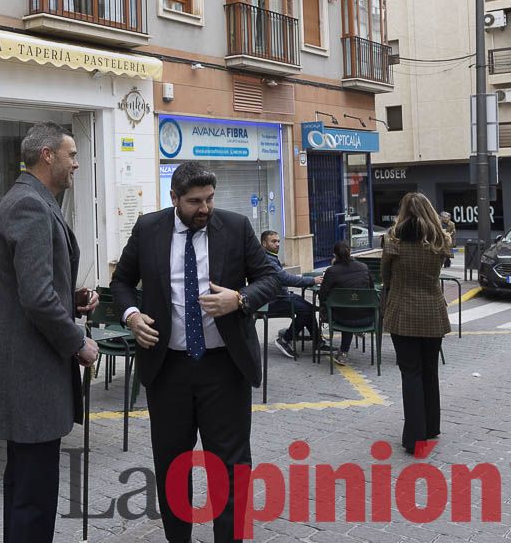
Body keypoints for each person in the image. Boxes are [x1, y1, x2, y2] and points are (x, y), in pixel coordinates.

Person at [111, 161, 280, 543]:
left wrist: (239, 299)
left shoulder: (235, 227)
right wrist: (131, 314)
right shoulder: (149, 228)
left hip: (224, 366)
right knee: (173, 465)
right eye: (194, 202)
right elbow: (121, 281)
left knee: (231, 467)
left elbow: (269, 278)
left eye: (209, 199)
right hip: (167, 367)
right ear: (174, 198)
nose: (204, 208)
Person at [0, 122, 100, 543]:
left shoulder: (29, 200)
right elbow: (37, 299)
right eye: (72, 155)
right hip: (31, 376)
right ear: (47, 155)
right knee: (34, 495)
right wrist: (78, 342)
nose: (77, 164)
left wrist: (73, 297)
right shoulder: (30, 205)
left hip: (27, 375)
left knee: (27, 487)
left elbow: (35, 288)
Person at [381, 192, 452, 455]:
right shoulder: (439, 240)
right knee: (430, 371)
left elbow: (385, 276)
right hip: (433, 311)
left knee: (410, 373)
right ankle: (432, 426)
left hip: (403, 312)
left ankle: (414, 437)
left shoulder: (393, 240)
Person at [261, 230, 324, 359]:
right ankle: (285, 339)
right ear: (264, 244)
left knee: (309, 308)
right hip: (272, 301)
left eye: (278, 241)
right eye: (273, 241)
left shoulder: (269, 257)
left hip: (281, 296)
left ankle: (318, 343)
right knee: (306, 310)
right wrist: (312, 280)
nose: (277, 244)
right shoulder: (268, 260)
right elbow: (286, 279)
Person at [318, 240, 375, 366]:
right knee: (350, 307)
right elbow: (371, 290)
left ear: (335, 255)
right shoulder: (364, 267)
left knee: (345, 309)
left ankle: (343, 352)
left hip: (342, 319)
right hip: (366, 319)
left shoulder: (332, 271)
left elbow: (322, 295)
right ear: (350, 252)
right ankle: (355, 334)